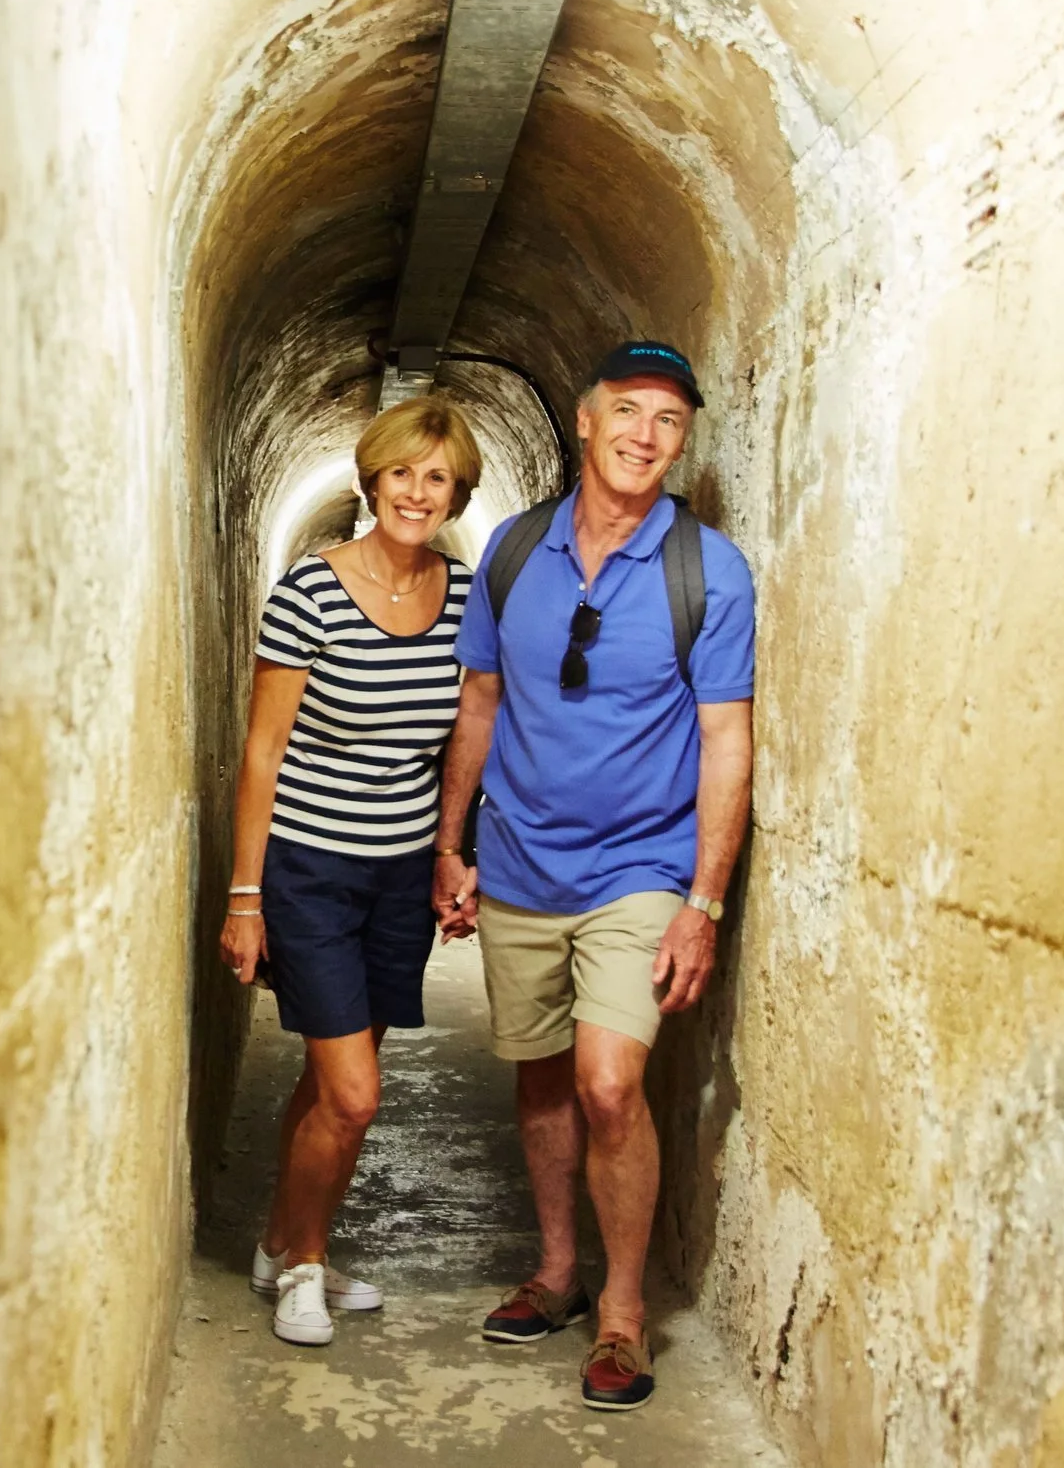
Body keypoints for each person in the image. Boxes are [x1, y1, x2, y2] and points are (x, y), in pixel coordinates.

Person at [432, 339, 755, 1412]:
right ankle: (557, 1271)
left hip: (641, 868)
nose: (645, 436)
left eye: (669, 421)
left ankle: (622, 1312)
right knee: (540, 1074)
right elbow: (480, 702)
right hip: (521, 860)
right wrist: (451, 844)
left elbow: (726, 740)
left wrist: (702, 901)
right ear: (583, 419)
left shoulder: (707, 571)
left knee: (609, 1082)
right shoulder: (514, 552)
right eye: (627, 411)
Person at [218, 396, 485, 1347]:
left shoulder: (468, 598)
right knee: (357, 1094)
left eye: (437, 477)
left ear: (457, 494)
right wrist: (245, 897)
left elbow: (470, 732)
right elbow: (262, 753)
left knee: (334, 1082)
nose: (417, 492)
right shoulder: (310, 593)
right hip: (311, 871)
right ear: (373, 481)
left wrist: (454, 854)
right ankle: (306, 1265)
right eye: (402, 472)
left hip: (399, 875)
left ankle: (281, 1241)